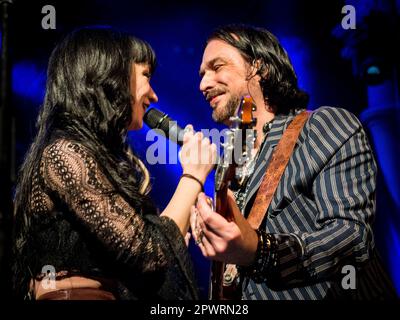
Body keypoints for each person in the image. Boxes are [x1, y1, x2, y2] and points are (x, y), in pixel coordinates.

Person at [191, 24, 397, 299]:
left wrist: (260, 251)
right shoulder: (228, 166)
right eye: (203, 74)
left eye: (217, 67)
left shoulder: (322, 126)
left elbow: (351, 238)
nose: (203, 84)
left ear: (258, 68)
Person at [12, 27, 216, 300]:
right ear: (110, 75)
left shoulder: (90, 155)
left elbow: (141, 254)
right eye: (146, 76)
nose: (154, 96)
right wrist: (193, 175)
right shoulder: (64, 154)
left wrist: (175, 233)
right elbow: (148, 252)